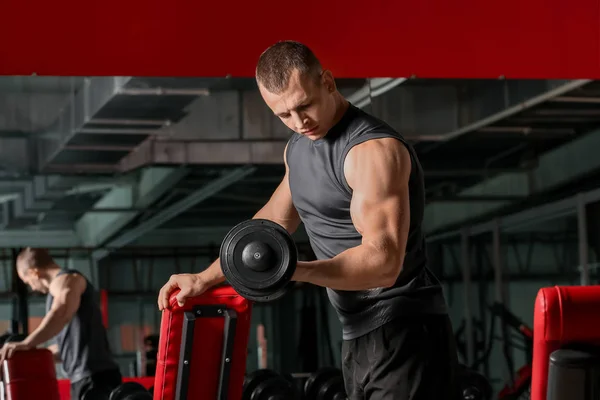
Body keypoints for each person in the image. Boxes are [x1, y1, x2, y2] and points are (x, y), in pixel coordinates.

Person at [158, 41, 460, 399]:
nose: (299, 122)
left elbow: (383, 263)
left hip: (406, 329)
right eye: (283, 115)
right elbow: (273, 221)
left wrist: (292, 269)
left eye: (305, 105)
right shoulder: (298, 149)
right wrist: (204, 278)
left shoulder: (373, 151)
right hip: (356, 331)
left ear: (328, 83)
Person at [0, 248, 122, 400]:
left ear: (34, 273)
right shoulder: (56, 292)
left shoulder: (68, 279)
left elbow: (60, 312)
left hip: (97, 378)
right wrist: (26, 355)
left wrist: (27, 343)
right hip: (84, 378)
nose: (32, 287)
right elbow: (67, 348)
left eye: (28, 282)